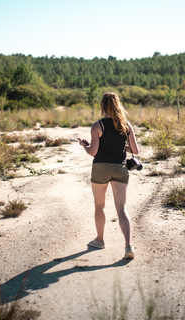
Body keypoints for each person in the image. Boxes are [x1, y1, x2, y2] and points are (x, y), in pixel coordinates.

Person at [78, 92, 139, 259]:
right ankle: (128, 246)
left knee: (99, 206)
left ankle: (100, 240)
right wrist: (121, 148)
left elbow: (93, 152)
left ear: (103, 106)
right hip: (120, 168)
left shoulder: (97, 126)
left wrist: (85, 146)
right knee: (121, 209)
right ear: (117, 105)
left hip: (101, 168)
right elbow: (135, 150)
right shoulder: (126, 125)